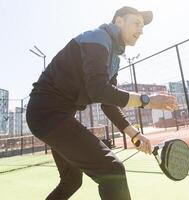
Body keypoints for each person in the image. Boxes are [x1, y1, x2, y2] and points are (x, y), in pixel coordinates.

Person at [26, 6, 178, 200]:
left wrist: (135, 135)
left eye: (143, 26)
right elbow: (97, 90)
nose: (141, 30)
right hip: (47, 114)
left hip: (53, 116)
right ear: (119, 21)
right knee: (112, 169)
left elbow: (107, 102)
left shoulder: (114, 58)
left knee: (72, 180)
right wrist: (146, 101)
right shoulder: (98, 38)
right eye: (137, 23)